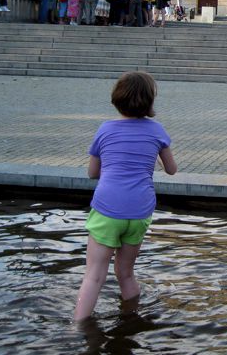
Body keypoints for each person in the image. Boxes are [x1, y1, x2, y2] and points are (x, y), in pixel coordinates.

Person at [73, 71, 177, 321]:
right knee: (126, 273)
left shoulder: (105, 129)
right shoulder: (157, 131)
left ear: (116, 98)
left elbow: (92, 173)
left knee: (94, 275)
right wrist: (157, 161)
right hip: (140, 210)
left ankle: (77, 329)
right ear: (150, 101)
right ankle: (130, 321)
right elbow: (172, 169)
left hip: (108, 208)